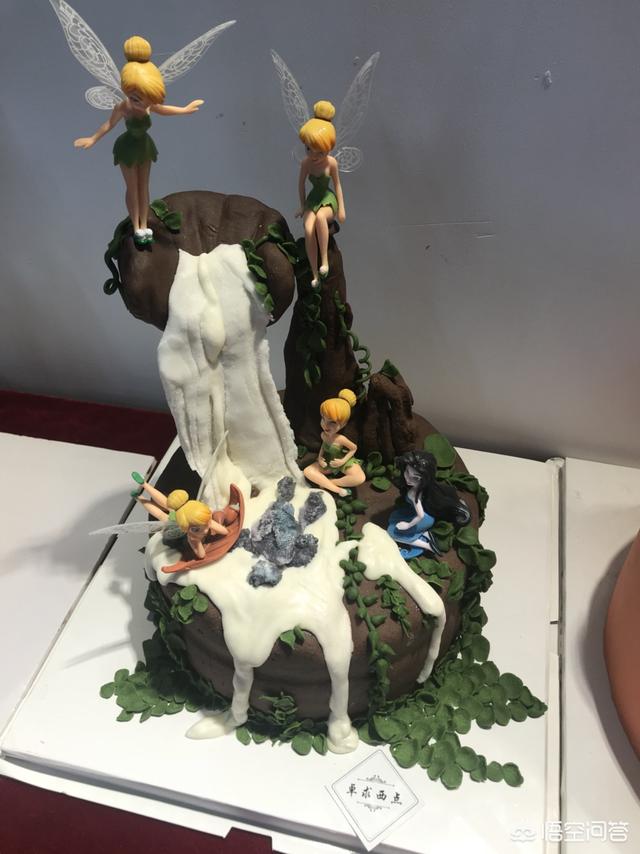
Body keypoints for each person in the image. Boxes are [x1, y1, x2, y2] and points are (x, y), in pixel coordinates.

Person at [73, 36, 203, 245]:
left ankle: (144, 224)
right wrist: (93, 138)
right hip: (127, 149)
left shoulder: (148, 104)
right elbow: (109, 124)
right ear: (127, 90)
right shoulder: (124, 107)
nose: (142, 104)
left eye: (146, 98)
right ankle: (136, 227)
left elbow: (164, 109)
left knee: (144, 187)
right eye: (136, 97)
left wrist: (185, 109)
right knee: (132, 188)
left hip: (144, 148)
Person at [296, 101, 346, 286]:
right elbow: (301, 185)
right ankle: (314, 274)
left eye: (320, 152)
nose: (314, 156)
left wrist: (341, 209)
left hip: (327, 199)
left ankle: (324, 261)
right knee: (309, 228)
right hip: (312, 200)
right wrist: (302, 206)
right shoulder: (306, 164)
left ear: (329, 149)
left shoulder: (331, 163)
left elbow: (338, 185)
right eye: (309, 149)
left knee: (320, 219)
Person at [388, 451, 471, 558]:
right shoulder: (426, 489)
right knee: (394, 517)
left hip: (423, 519)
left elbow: (420, 515)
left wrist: (408, 525)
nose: (408, 479)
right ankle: (425, 534)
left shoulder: (414, 494)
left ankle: (428, 546)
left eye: (415, 478)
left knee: (392, 532)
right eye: (407, 472)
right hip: (423, 515)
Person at [130, 472, 227, 559]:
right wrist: (196, 540)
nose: (205, 530)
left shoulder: (205, 520)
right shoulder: (192, 537)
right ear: (187, 529)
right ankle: (140, 495)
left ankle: (143, 487)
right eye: (196, 529)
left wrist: (207, 526)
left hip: (184, 513)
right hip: (175, 522)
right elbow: (202, 555)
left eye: (206, 523)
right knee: (161, 514)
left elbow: (224, 531)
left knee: (166, 505)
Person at [303, 389, 365, 497]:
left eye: (332, 422)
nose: (325, 425)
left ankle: (329, 483)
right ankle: (338, 490)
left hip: (342, 461)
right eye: (323, 419)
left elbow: (354, 448)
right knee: (307, 471)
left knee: (360, 478)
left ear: (343, 424)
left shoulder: (341, 439)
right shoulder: (323, 435)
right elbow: (323, 446)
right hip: (329, 462)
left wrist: (342, 461)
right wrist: (320, 458)